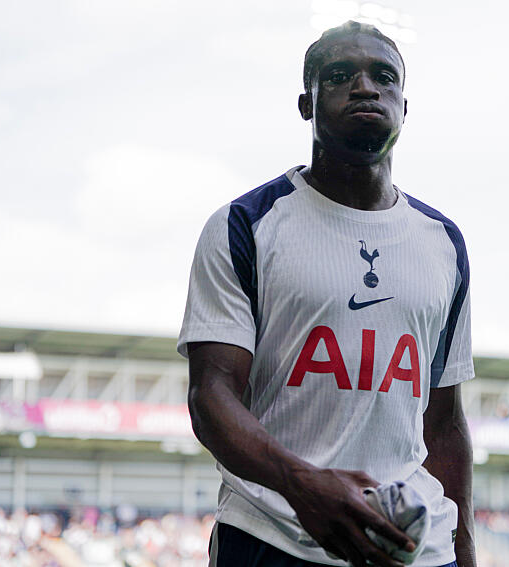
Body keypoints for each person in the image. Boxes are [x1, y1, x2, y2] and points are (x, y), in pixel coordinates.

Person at [179, 20, 475, 567]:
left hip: (416, 546)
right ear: (305, 103)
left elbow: (444, 421)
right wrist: (304, 485)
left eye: (383, 77)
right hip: (274, 535)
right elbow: (211, 394)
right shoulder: (245, 225)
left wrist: (465, 549)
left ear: (404, 108)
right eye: (340, 76)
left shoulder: (443, 243)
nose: (365, 87)